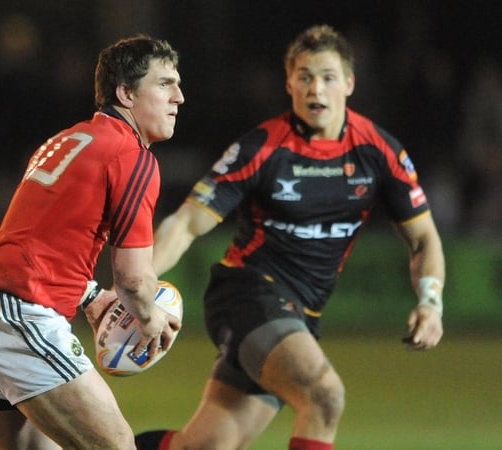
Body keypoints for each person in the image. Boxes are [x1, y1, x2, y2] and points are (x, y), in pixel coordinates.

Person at [134, 24, 445, 450]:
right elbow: (188, 222)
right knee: (324, 395)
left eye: (328, 77)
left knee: (202, 446)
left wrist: (430, 303)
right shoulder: (263, 148)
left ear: (349, 84)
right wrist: (138, 279)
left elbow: (423, 237)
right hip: (247, 295)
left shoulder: (378, 151)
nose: (316, 88)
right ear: (289, 84)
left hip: (299, 316)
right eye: (305, 77)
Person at [0, 34, 184, 450]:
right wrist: (150, 321)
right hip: (22, 318)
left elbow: (35, 241)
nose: (179, 98)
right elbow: (134, 281)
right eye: (165, 84)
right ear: (126, 93)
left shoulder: (67, 141)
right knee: (117, 445)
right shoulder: (131, 157)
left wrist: (92, 296)